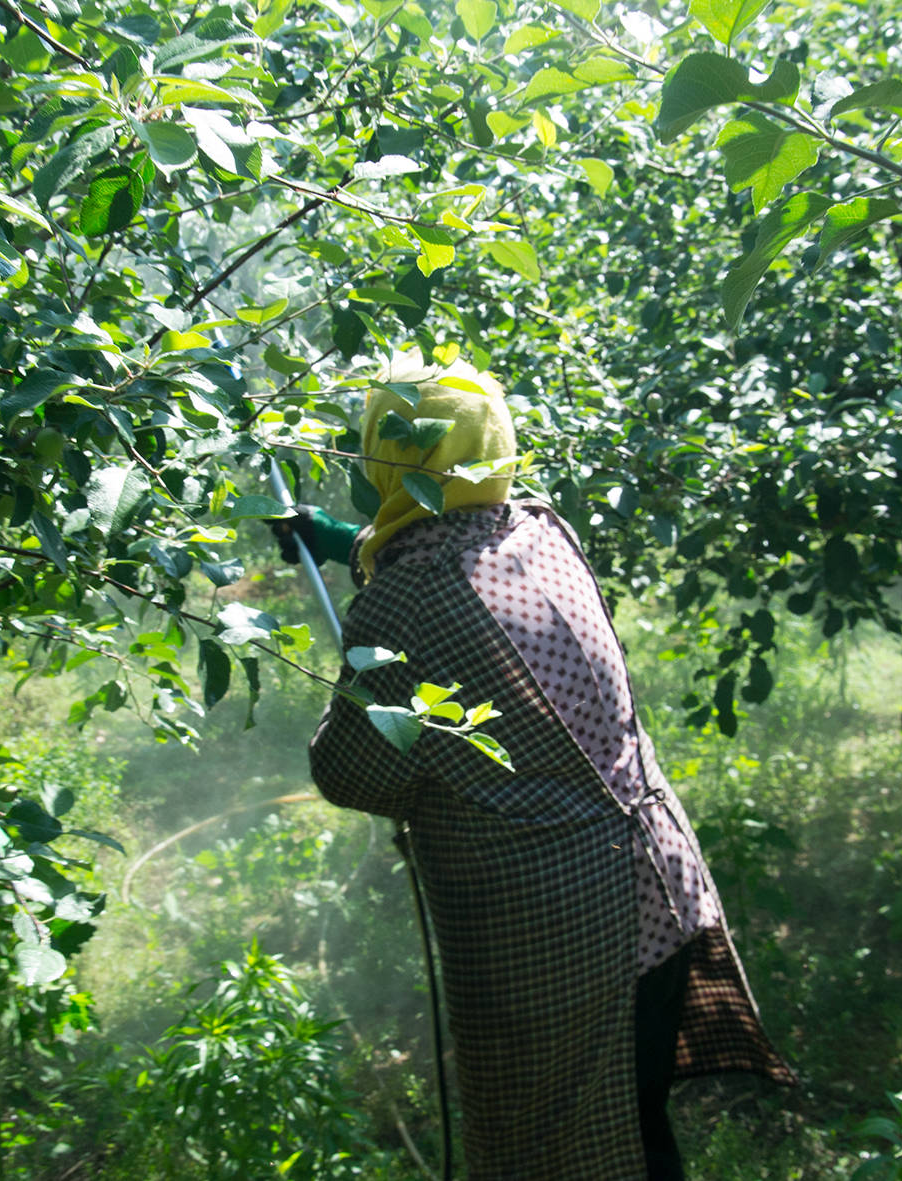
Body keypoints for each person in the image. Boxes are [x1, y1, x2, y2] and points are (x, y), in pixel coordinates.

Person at [291, 353, 794, 1181]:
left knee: (562, 1159)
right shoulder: (538, 528)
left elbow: (350, 772)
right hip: (661, 895)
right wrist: (338, 541)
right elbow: (452, 557)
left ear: (383, 459)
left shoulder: (405, 602)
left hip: (562, 942)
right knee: (635, 1132)